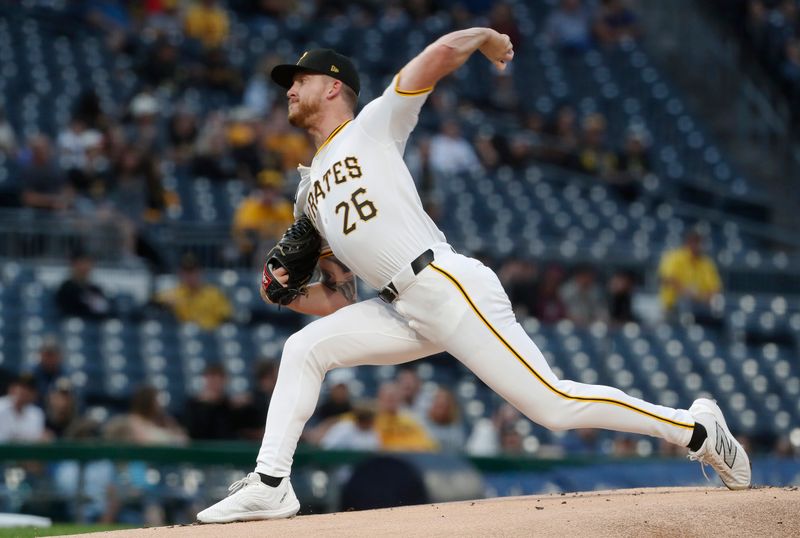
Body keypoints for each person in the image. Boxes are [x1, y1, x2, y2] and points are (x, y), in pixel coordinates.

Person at [198, 29, 749, 524]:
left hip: (445, 284)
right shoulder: (307, 194)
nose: (289, 89)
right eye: (287, 83)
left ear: (335, 87)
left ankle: (696, 429)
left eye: (301, 79)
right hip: (398, 308)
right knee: (304, 349)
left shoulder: (372, 127)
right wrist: (289, 294)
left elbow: (435, 57)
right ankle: (271, 484)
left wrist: (484, 35)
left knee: (554, 408)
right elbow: (339, 301)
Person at [154, 253, 233, 330]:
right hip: (184, 338)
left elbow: (226, 316)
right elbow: (154, 302)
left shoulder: (214, 294)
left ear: (200, 272)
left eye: (192, 271)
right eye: (186, 272)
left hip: (210, 337)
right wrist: (165, 306)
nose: (190, 276)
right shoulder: (173, 293)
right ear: (180, 273)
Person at [658, 230, 723, 320]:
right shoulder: (674, 257)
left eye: (699, 242)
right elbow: (668, 279)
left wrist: (701, 296)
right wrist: (689, 293)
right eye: (694, 242)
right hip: (673, 309)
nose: (697, 246)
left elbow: (715, 288)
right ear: (688, 242)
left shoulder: (706, 262)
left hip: (701, 309)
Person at [182, 363, 239, 440]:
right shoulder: (193, 404)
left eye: (218, 378)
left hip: (227, 447)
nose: (214, 382)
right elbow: (192, 431)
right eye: (211, 378)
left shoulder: (230, 406)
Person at [55, 250, 114, 319]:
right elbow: (68, 312)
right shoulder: (66, 289)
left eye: (88, 263)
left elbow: (105, 310)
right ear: (73, 265)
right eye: (81, 263)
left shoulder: (95, 289)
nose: (85, 267)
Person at [0, 374, 45, 442]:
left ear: (34, 394)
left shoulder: (37, 414)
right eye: (21, 387)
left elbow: (36, 442)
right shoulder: (1, 406)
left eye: (29, 389)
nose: (24, 391)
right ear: (11, 388)